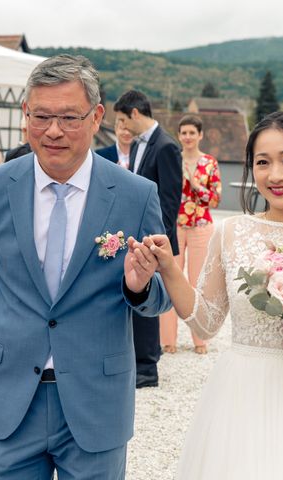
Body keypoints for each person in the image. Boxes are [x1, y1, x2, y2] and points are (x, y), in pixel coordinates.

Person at [0, 54, 171, 480]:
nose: (54, 131)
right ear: (26, 114)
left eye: (70, 117)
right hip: (13, 393)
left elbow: (160, 295)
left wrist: (138, 286)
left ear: (96, 117)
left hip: (96, 397)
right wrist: (15, 316)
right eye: (43, 116)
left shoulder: (134, 194)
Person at [140, 111, 283, 479]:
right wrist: (170, 269)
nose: (275, 175)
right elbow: (207, 320)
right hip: (242, 393)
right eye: (262, 163)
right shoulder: (231, 233)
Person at [114, 89, 182, 388]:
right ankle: (142, 361)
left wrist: (159, 245)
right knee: (138, 298)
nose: (122, 127)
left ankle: (147, 367)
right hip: (138, 238)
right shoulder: (141, 144)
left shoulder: (165, 146)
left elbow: (169, 199)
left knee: (150, 302)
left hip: (154, 240)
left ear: (135, 114)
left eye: (122, 120)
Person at [159, 114, 221, 355]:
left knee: (198, 283)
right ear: (179, 135)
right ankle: (167, 340)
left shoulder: (209, 162)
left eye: (192, 133)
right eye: (183, 132)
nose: (187, 137)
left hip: (201, 226)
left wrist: (197, 187)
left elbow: (215, 199)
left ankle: (200, 339)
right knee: (169, 280)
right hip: (174, 225)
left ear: (200, 135)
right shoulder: (172, 159)